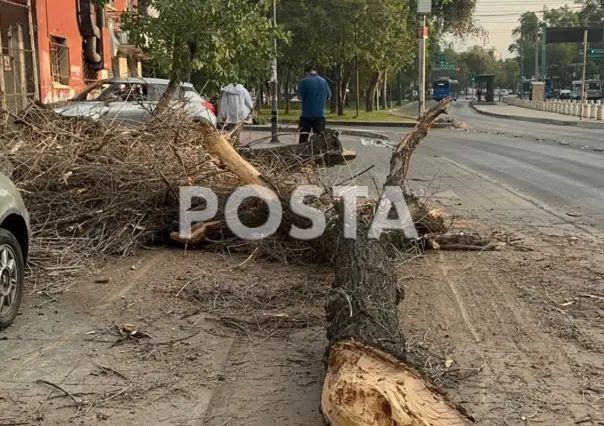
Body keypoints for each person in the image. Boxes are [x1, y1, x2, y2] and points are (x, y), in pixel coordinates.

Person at [297, 66, 331, 144]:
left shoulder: (304, 81)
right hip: (320, 115)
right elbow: (328, 96)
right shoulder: (324, 82)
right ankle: (319, 155)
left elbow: (299, 97)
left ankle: (303, 155)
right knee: (320, 141)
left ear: (307, 72)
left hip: (306, 115)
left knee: (303, 140)